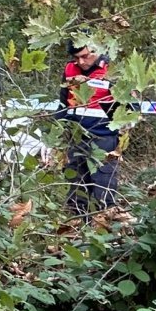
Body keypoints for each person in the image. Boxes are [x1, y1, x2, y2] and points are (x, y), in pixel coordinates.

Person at [56, 38, 121, 215]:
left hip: (103, 138)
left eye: (84, 57)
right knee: (76, 192)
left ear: (96, 50)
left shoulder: (112, 69)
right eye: (76, 58)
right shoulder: (70, 69)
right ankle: (76, 231)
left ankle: (107, 232)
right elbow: (63, 104)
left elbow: (128, 107)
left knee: (103, 190)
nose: (81, 62)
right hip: (75, 138)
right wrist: (57, 131)